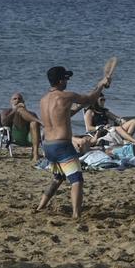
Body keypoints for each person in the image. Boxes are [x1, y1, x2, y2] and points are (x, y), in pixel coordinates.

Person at [35, 65, 110, 218]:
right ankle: (76, 215)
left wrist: (81, 105)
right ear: (61, 80)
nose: (67, 81)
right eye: (66, 78)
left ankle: (40, 207)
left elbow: (63, 115)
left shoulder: (43, 100)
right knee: (77, 180)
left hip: (48, 146)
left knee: (58, 178)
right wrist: (102, 84)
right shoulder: (66, 96)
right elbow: (91, 98)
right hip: (62, 145)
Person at [2, 92, 42, 162]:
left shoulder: (32, 114)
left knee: (34, 123)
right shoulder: (6, 111)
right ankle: (40, 121)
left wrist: (23, 111)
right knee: (20, 111)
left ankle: (35, 154)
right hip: (15, 136)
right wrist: (16, 110)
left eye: (19, 99)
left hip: (30, 138)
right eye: (14, 99)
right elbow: (4, 123)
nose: (17, 100)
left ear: (23, 102)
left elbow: (37, 128)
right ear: (11, 101)